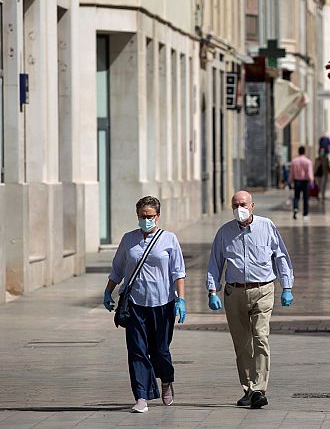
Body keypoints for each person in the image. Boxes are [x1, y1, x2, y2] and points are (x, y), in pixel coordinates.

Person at [206, 191, 295, 409]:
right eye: (235, 205)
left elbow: (281, 256)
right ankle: (248, 388)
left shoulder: (267, 227)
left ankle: (259, 389)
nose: (239, 208)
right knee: (242, 344)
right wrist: (212, 291)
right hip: (234, 292)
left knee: (260, 337)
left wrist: (287, 286)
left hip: (263, 290)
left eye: (243, 204)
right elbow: (215, 263)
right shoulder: (224, 232)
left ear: (252, 206)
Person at [103, 196, 186, 413]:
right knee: (137, 350)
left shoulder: (169, 239)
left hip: (163, 303)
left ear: (157, 216)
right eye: (142, 217)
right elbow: (118, 268)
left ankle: (166, 379)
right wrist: (108, 291)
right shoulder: (128, 239)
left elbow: (178, 272)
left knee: (160, 350)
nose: (146, 220)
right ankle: (141, 396)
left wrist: (181, 299)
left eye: (150, 217)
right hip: (135, 304)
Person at [289, 146, 315, 220]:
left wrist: (290, 181)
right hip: (305, 182)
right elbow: (309, 172)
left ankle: (296, 210)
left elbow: (291, 173)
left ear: (298, 151)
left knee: (296, 197)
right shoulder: (308, 161)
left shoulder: (294, 161)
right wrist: (312, 181)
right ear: (304, 152)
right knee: (305, 198)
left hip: (297, 181)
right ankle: (305, 214)